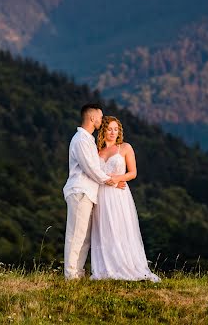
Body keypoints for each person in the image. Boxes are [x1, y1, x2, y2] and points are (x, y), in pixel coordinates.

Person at [90, 115, 160, 281]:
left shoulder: (125, 148)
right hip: (101, 195)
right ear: (103, 131)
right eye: (109, 129)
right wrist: (108, 181)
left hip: (119, 194)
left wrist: (116, 179)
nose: (113, 132)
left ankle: (126, 265)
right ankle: (107, 267)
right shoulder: (97, 150)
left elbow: (133, 173)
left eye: (116, 129)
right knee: (104, 230)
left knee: (120, 228)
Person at [63, 103, 125, 280]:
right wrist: (112, 181)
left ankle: (78, 272)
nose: (101, 120)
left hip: (88, 193)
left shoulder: (88, 139)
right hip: (80, 191)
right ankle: (70, 274)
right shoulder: (81, 140)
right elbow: (90, 168)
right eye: (100, 116)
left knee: (85, 237)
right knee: (76, 234)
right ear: (92, 118)